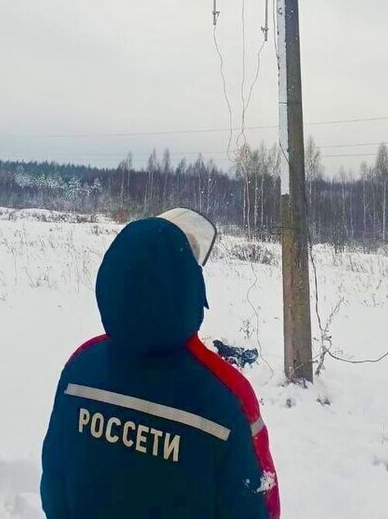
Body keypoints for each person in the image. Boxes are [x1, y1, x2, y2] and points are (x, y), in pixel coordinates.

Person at [40, 208, 280, 519]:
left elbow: (54, 488)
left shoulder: (80, 369)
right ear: (191, 286)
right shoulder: (226, 396)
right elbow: (259, 508)